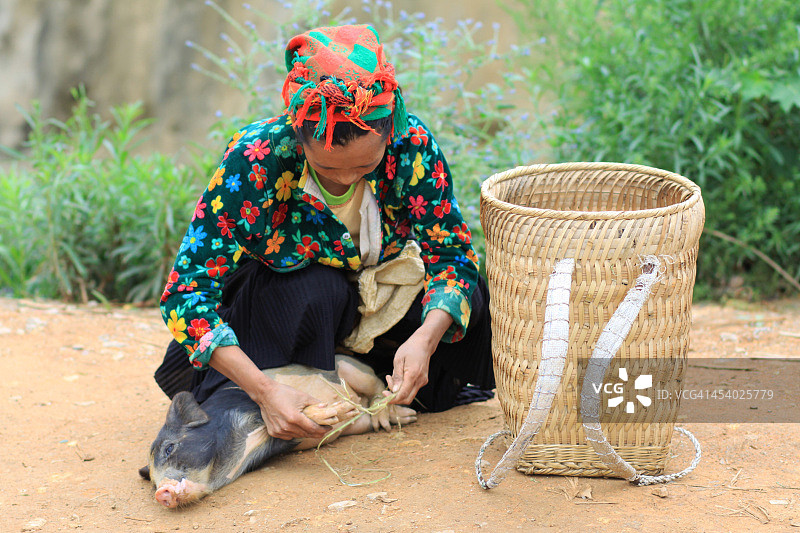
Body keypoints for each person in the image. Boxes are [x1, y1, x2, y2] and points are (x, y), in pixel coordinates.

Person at [156, 24, 494, 441]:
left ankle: (357, 376)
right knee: (317, 287)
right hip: (291, 309)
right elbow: (186, 295)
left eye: (366, 166)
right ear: (299, 135)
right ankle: (296, 387)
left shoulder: (412, 145)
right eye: (329, 168)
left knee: (470, 298)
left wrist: (424, 340)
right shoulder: (255, 157)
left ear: (389, 133)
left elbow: (451, 257)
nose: (347, 179)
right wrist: (263, 391)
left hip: (374, 299)